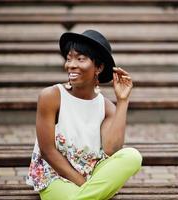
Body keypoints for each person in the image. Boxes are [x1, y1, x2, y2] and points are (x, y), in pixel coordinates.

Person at [26, 29, 142, 200]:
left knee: (132, 156)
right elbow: (47, 150)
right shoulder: (51, 96)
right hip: (55, 177)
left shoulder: (106, 107)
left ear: (99, 67)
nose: (71, 65)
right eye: (69, 58)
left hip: (91, 174)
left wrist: (122, 101)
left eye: (80, 59)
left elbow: (112, 149)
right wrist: (87, 185)